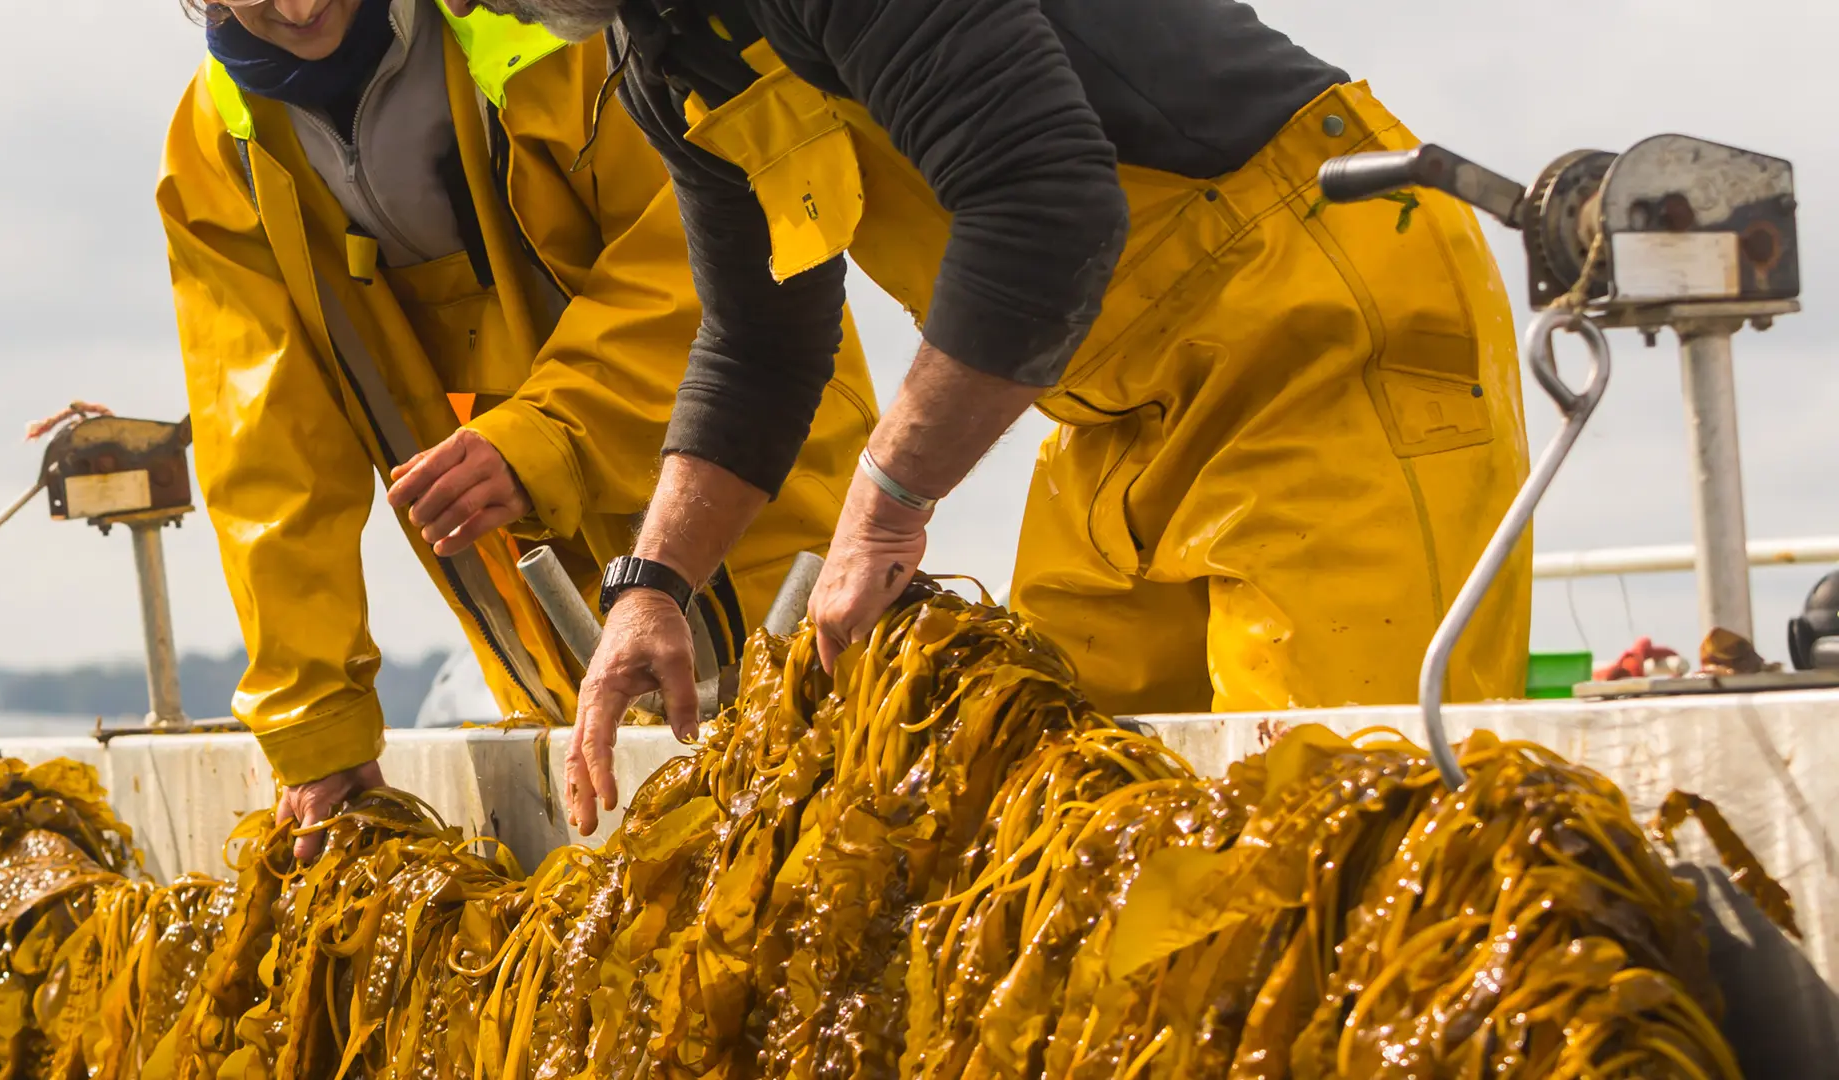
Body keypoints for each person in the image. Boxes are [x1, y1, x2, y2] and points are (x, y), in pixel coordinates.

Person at [444, 0, 1534, 835]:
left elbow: (1042, 203)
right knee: (1054, 834)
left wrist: (881, 513)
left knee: (1337, 840)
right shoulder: (669, 49)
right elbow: (760, 344)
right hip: (1113, 411)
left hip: (1321, 321)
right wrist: (655, 585)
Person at [159, 0, 878, 857]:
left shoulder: (560, 25)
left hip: (776, 539)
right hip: (548, 636)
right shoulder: (216, 158)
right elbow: (267, 453)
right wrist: (318, 728)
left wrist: (544, 436)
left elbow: (716, 273)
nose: (301, 7)